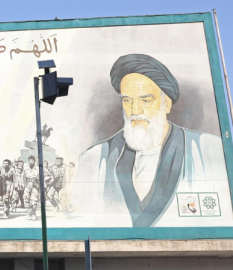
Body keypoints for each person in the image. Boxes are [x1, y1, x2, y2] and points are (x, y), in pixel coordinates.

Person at [76, 54, 227, 227]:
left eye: (145, 100)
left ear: (166, 104)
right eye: (127, 100)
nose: (135, 110)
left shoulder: (209, 150)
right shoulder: (94, 159)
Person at [23, 156, 40, 221]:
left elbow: (41, 177)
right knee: (26, 199)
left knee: (34, 200)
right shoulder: (25, 168)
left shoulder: (38, 168)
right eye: (30, 161)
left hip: (35, 185)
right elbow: (22, 177)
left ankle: (33, 214)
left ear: (34, 161)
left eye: (32, 161)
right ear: (28, 161)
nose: (31, 162)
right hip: (27, 185)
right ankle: (30, 213)